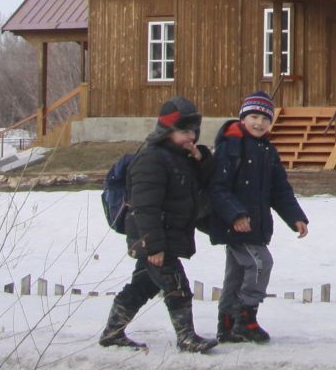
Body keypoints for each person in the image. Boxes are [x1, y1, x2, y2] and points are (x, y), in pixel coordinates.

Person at [99, 96, 217, 354]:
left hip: (166, 237)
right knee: (176, 285)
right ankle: (186, 337)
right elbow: (144, 208)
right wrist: (153, 246)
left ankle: (112, 332)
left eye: (193, 132)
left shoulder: (182, 158)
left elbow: (201, 186)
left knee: (143, 285)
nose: (191, 137)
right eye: (184, 131)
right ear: (167, 131)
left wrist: (201, 160)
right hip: (152, 238)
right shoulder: (151, 160)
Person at [207, 90, 308, 344]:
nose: (259, 123)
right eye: (253, 116)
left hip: (256, 225)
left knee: (237, 274)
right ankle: (246, 319)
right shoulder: (230, 147)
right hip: (236, 225)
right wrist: (236, 215)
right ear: (242, 117)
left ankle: (227, 324)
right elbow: (217, 188)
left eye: (265, 119)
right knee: (261, 263)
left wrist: (295, 216)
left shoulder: (267, 151)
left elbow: (279, 190)